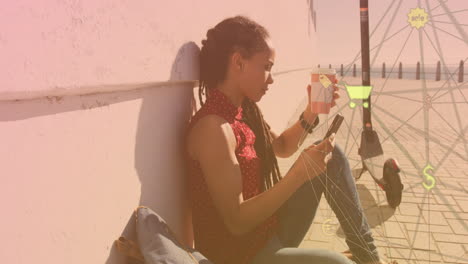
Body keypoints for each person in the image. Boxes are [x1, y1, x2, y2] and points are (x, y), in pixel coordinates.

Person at [185, 15, 397, 264]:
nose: (271, 78)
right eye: (266, 67)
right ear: (238, 62)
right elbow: (237, 223)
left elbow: (282, 147)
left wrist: (312, 110)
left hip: (266, 230)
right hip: (242, 255)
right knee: (338, 263)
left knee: (333, 156)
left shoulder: (243, 112)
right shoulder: (213, 128)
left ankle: (370, 258)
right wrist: (299, 174)